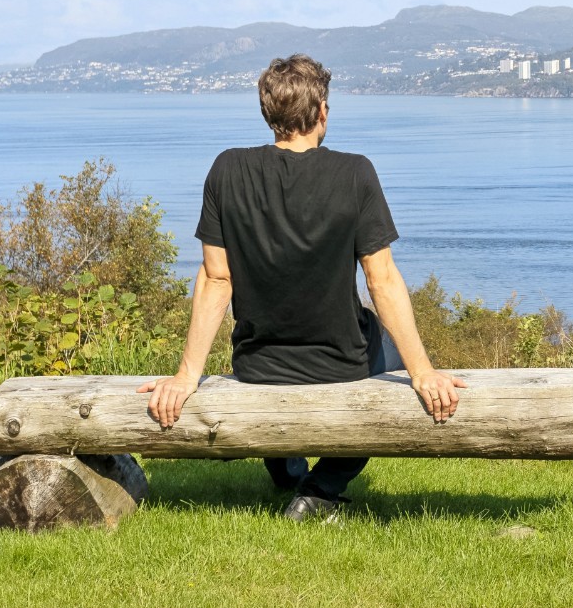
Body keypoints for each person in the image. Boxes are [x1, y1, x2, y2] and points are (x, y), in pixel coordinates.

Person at [138, 53, 465, 522]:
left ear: (268, 114)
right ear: (322, 112)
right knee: (389, 356)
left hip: (258, 364)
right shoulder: (355, 173)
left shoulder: (227, 170)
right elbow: (382, 278)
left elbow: (216, 278)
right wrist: (423, 372)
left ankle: (287, 468)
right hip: (342, 365)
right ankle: (320, 490)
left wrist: (187, 375)